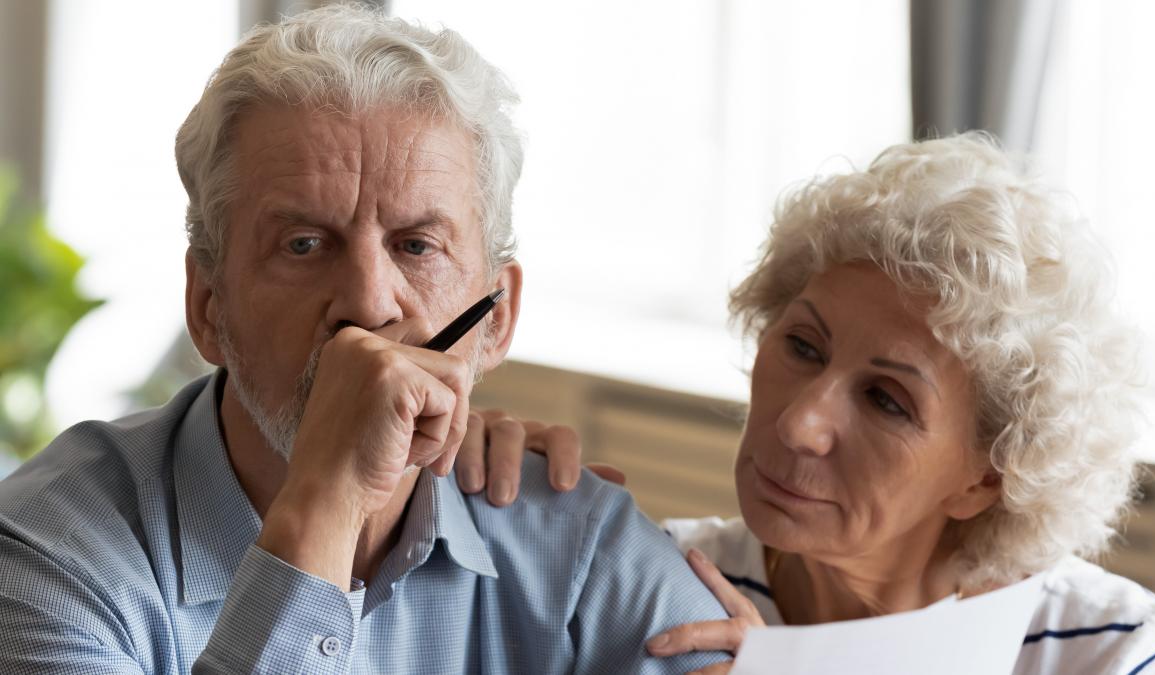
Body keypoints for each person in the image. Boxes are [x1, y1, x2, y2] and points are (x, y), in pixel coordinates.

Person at [0, 6, 728, 673]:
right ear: (208, 306)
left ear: (497, 319)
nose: (367, 303)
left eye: (416, 246)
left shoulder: (580, 541)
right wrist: (328, 494)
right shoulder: (46, 556)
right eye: (305, 243)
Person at [501, 134, 1155, 673]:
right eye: (803, 346)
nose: (800, 422)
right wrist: (470, 496)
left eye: (887, 400)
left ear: (987, 477)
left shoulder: (1126, 653)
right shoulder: (656, 586)